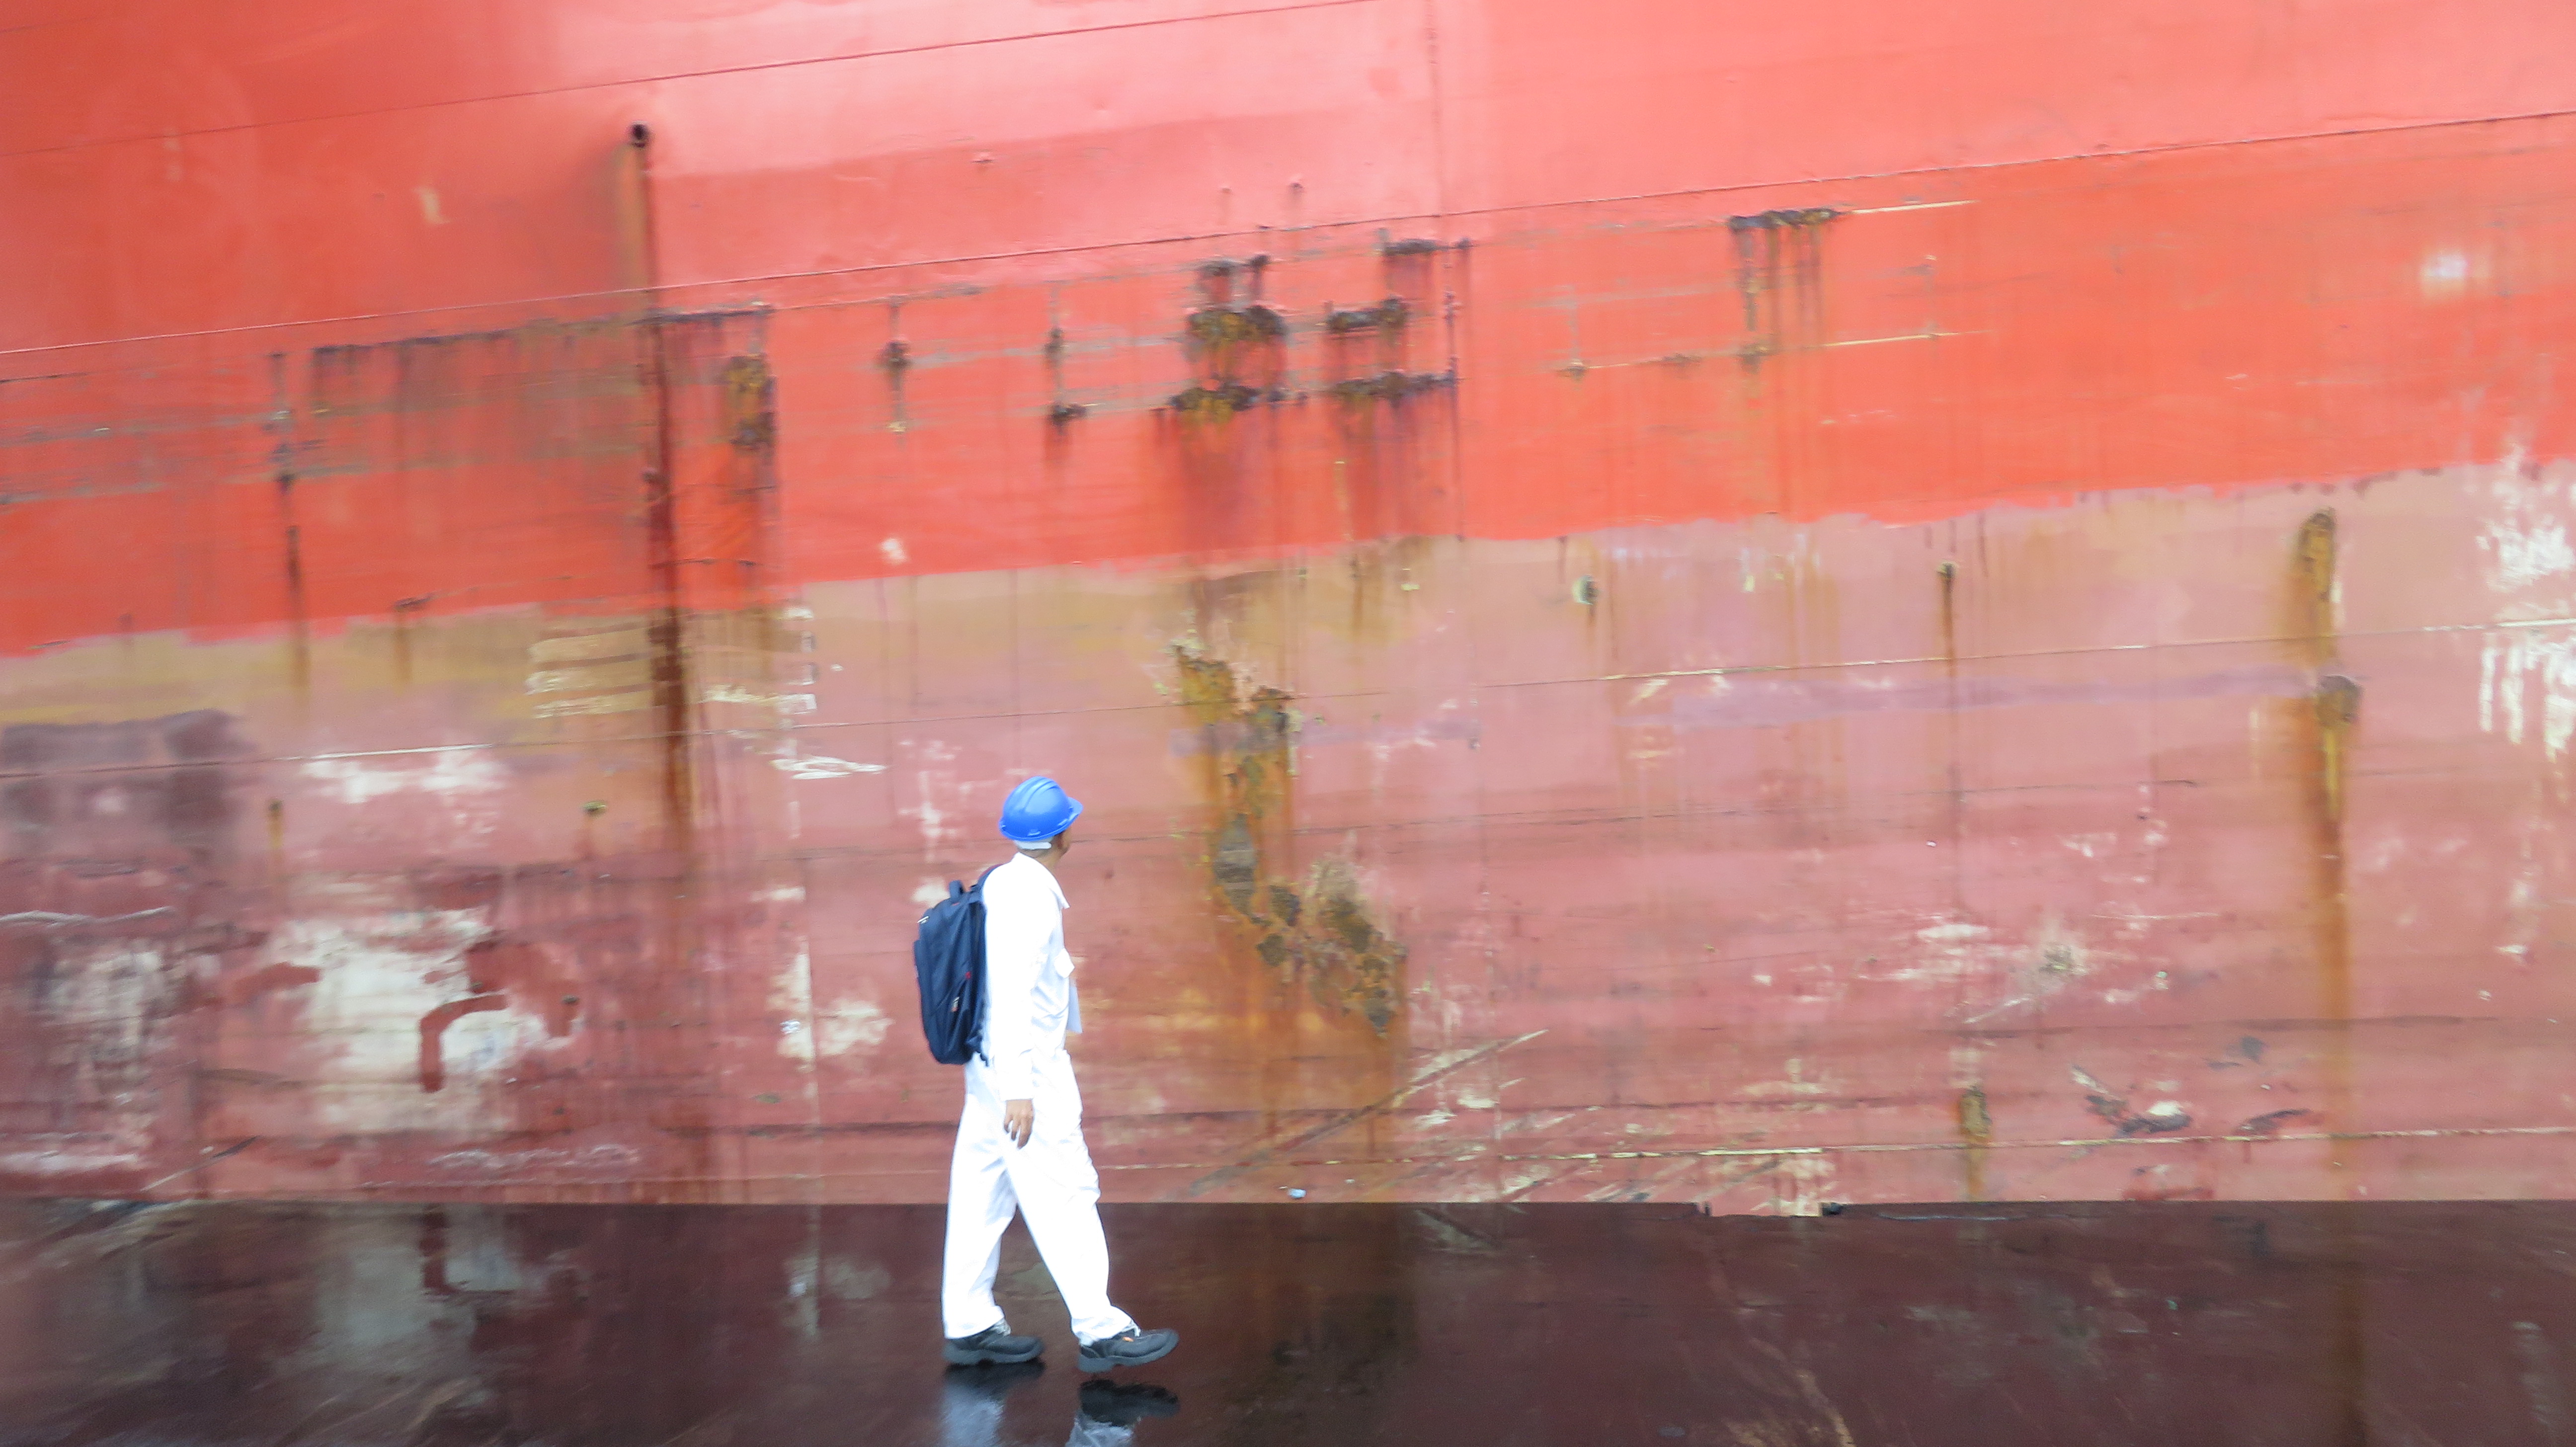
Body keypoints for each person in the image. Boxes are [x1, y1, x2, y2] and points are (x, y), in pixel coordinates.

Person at [941, 775, 1180, 1373]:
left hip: (988, 1066)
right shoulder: (1030, 897)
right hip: (1025, 1072)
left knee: (981, 1193)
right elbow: (1013, 994)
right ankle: (1102, 1330)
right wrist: (1020, 1089)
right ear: (1062, 832)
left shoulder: (1002, 881)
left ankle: (968, 1322)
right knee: (1066, 1191)